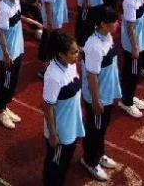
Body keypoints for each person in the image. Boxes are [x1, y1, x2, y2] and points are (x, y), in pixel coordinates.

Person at [0, 0, 42, 128]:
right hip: (8, 53)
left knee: (12, 82)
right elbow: (1, 32)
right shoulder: (3, 8)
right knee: (5, 83)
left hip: (16, 49)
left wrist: (34, 22)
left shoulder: (15, 1)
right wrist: (6, 54)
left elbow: (18, 16)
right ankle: (0, 110)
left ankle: (5, 107)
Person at [81, 7, 121, 182]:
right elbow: (91, 76)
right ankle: (90, 160)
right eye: (114, 21)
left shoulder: (107, 36)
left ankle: (99, 154)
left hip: (107, 92)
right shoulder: (94, 46)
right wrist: (96, 101)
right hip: (98, 97)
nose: (117, 24)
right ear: (103, 24)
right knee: (95, 130)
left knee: (101, 128)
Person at [42, 31, 84, 186]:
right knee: (55, 165)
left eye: (77, 51)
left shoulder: (70, 65)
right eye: (73, 52)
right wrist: (53, 134)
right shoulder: (53, 76)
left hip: (71, 124)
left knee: (64, 163)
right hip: (60, 131)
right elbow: (48, 106)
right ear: (61, 54)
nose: (77, 55)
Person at [117, 0, 144, 118]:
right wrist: (135, 47)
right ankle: (127, 102)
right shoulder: (129, 1)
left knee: (131, 72)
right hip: (133, 43)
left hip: (139, 39)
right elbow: (130, 27)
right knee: (133, 74)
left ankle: (128, 96)